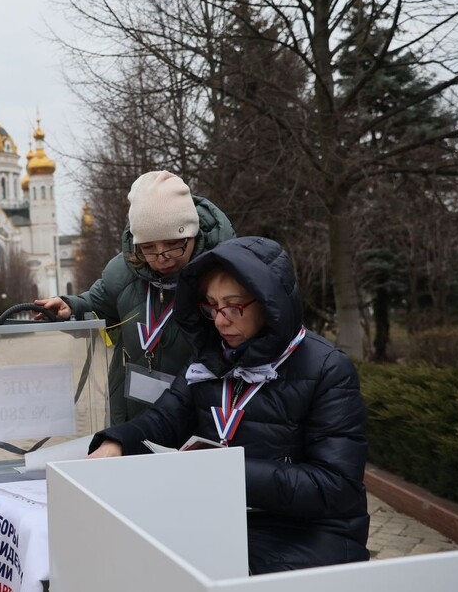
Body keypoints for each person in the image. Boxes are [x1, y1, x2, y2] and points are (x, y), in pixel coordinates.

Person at [88, 236, 370, 574]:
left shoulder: (327, 368)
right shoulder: (209, 357)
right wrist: (116, 442)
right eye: (210, 306)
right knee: (129, 562)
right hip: (222, 516)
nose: (220, 321)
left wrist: (228, 471)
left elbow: (335, 486)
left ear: (270, 303)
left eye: (234, 306)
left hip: (308, 532)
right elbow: (164, 418)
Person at [34, 170, 235, 423]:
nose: (162, 256)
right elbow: (96, 304)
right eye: (148, 247)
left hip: (202, 417)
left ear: (192, 233)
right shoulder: (123, 271)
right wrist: (70, 306)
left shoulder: (224, 271)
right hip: (133, 416)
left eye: (173, 243)